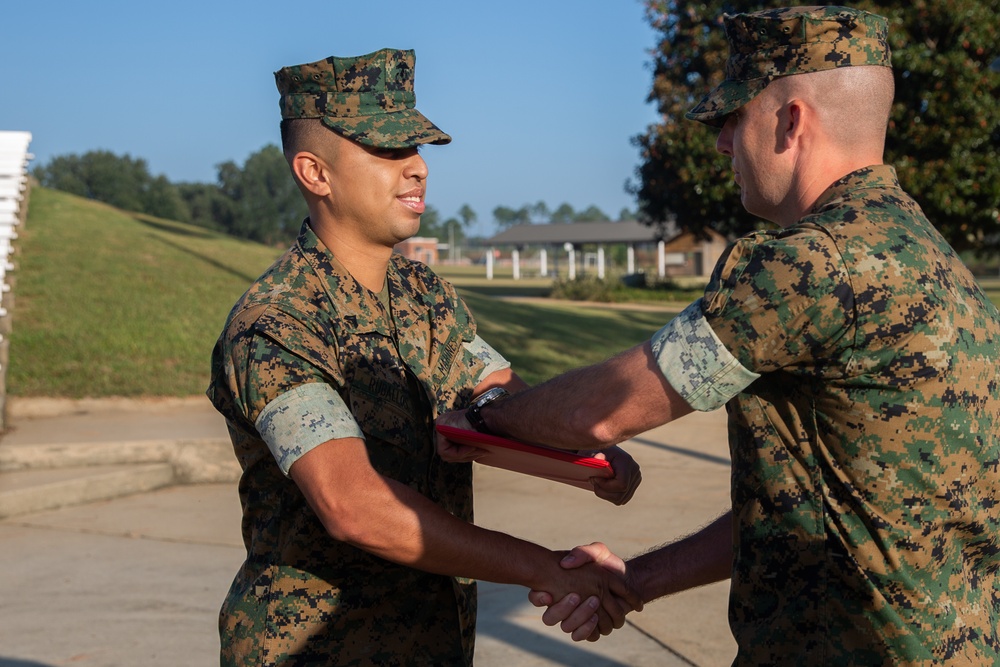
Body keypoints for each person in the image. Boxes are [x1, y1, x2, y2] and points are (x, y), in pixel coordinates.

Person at [435, 6, 1000, 664]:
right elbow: (807, 507)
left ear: (791, 120)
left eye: (735, 117)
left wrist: (487, 417)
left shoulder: (807, 264)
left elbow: (600, 410)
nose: (722, 143)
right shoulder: (938, 264)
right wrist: (635, 582)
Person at [206, 48, 642, 666]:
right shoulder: (277, 323)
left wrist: (589, 454)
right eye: (387, 151)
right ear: (314, 172)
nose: (416, 169)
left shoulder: (423, 294)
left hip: (434, 642)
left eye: (417, 149)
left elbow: (500, 393)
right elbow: (353, 506)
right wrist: (547, 568)